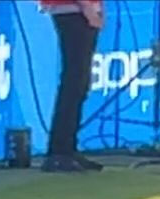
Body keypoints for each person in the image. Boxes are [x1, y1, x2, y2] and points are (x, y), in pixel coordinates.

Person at [41, 0, 103, 173]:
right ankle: (59, 152)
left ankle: (67, 148)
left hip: (81, 9)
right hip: (71, 10)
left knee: (79, 82)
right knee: (74, 81)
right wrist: (87, 6)